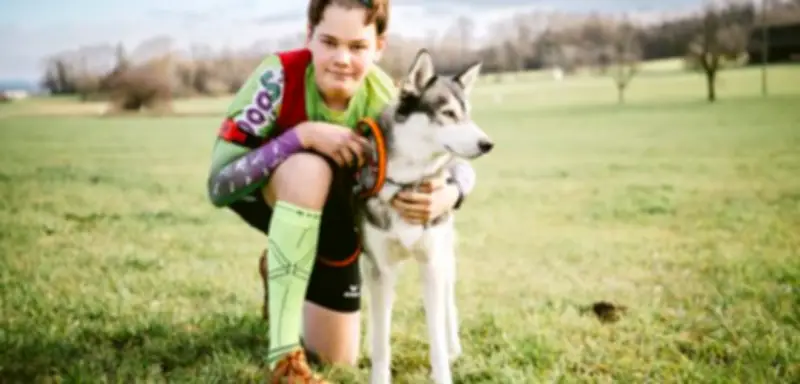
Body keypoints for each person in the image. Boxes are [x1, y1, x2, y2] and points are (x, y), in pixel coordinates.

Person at [205, 0, 477, 381]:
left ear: (379, 46)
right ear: (309, 37)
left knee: (338, 357)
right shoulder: (276, 78)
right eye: (329, 42)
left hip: (337, 223)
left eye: (357, 47)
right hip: (273, 198)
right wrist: (300, 137)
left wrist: (452, 193)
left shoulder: (385, 98)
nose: (342, 59)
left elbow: (459, 163)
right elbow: (218, 186)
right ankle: (284, 358)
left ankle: (282, 271)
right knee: (309, 166)